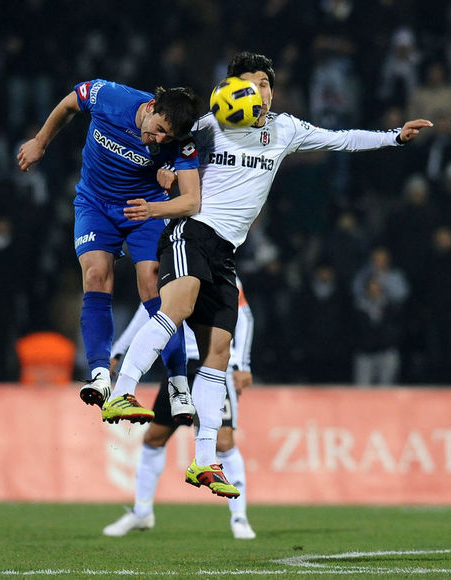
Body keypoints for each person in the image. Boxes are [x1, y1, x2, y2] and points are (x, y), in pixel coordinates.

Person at [102, 51, 433, 498]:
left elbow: (341, 139)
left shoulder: (285, 130)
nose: (259, 90)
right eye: (249, 82)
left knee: (218, 353)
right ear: (231, 88)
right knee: (175, 308)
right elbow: (162, 149)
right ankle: (121, 392)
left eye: (264, 83)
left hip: (226, 254)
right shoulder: (208, 127)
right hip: (191, 235)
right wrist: (161, 174)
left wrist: (395, 137)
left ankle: (203, 461)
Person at [17, 79, 202, 422]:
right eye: (159, 129)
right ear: (151, 108)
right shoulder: (109, 96)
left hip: (143, 210)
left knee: (152, 283)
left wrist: (162, 195)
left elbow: (193, 201)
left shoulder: (181, 143)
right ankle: (101, 375)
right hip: (95, 205)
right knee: (96, 275)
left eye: (168, 138)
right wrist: (41, 142)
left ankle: (178, 383)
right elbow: (69, 104)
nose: (159, 139)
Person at [103, 277, 256, 540]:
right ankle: (142, 511)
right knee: (154, 438)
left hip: (215, 365)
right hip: (179, 368)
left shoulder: (221, 269)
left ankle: (239, 517)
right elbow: (148, 312)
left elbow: (244, 316)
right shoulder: (170, 269)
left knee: (224, 441)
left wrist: (242, 363)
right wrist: (119, 349)